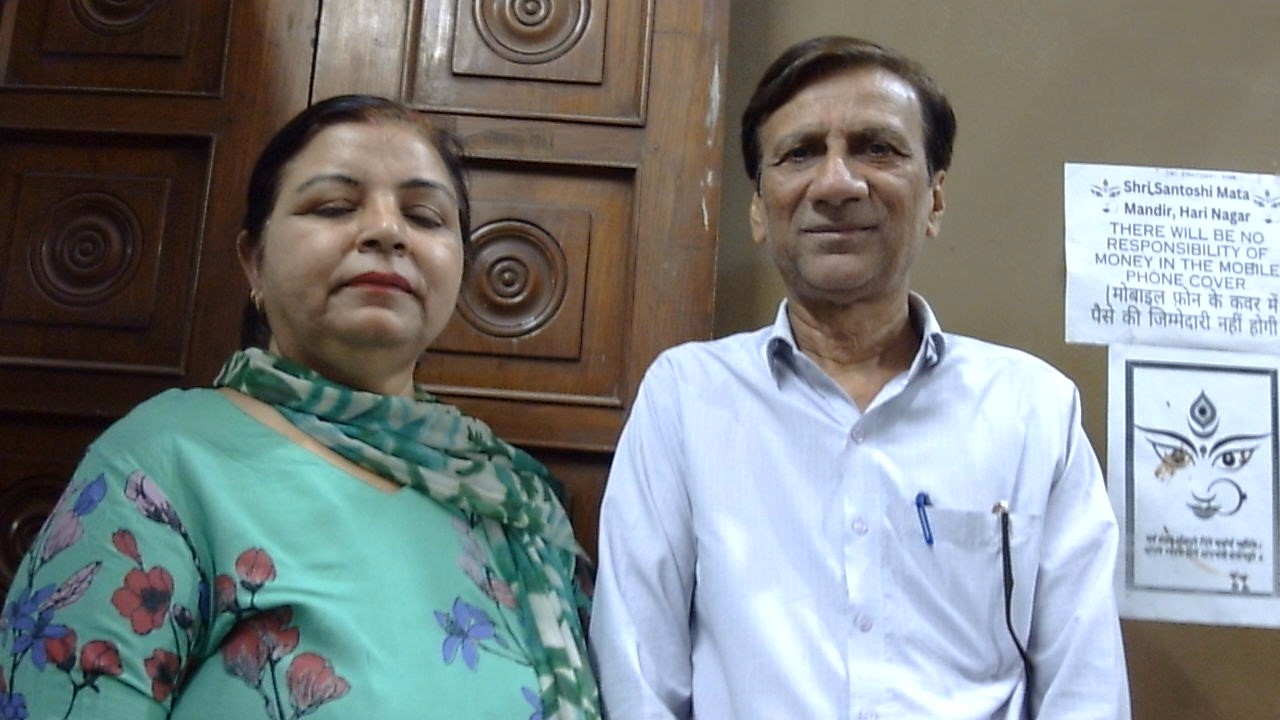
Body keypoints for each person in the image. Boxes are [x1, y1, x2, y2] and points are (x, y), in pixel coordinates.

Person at [0, 95, 599, 720]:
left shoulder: (514, 502)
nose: (387, 231)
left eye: (424, 216)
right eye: (334, 206)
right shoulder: (165, 463)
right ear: (254, 261)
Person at [589, 36, 1130, 719]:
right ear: (757, 208)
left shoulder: (1033, 410)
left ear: (935, 199)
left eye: (877, 148)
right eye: (800, 153)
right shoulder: (686, 399)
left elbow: (1085, 685)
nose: (837, 184)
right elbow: (637, 674)